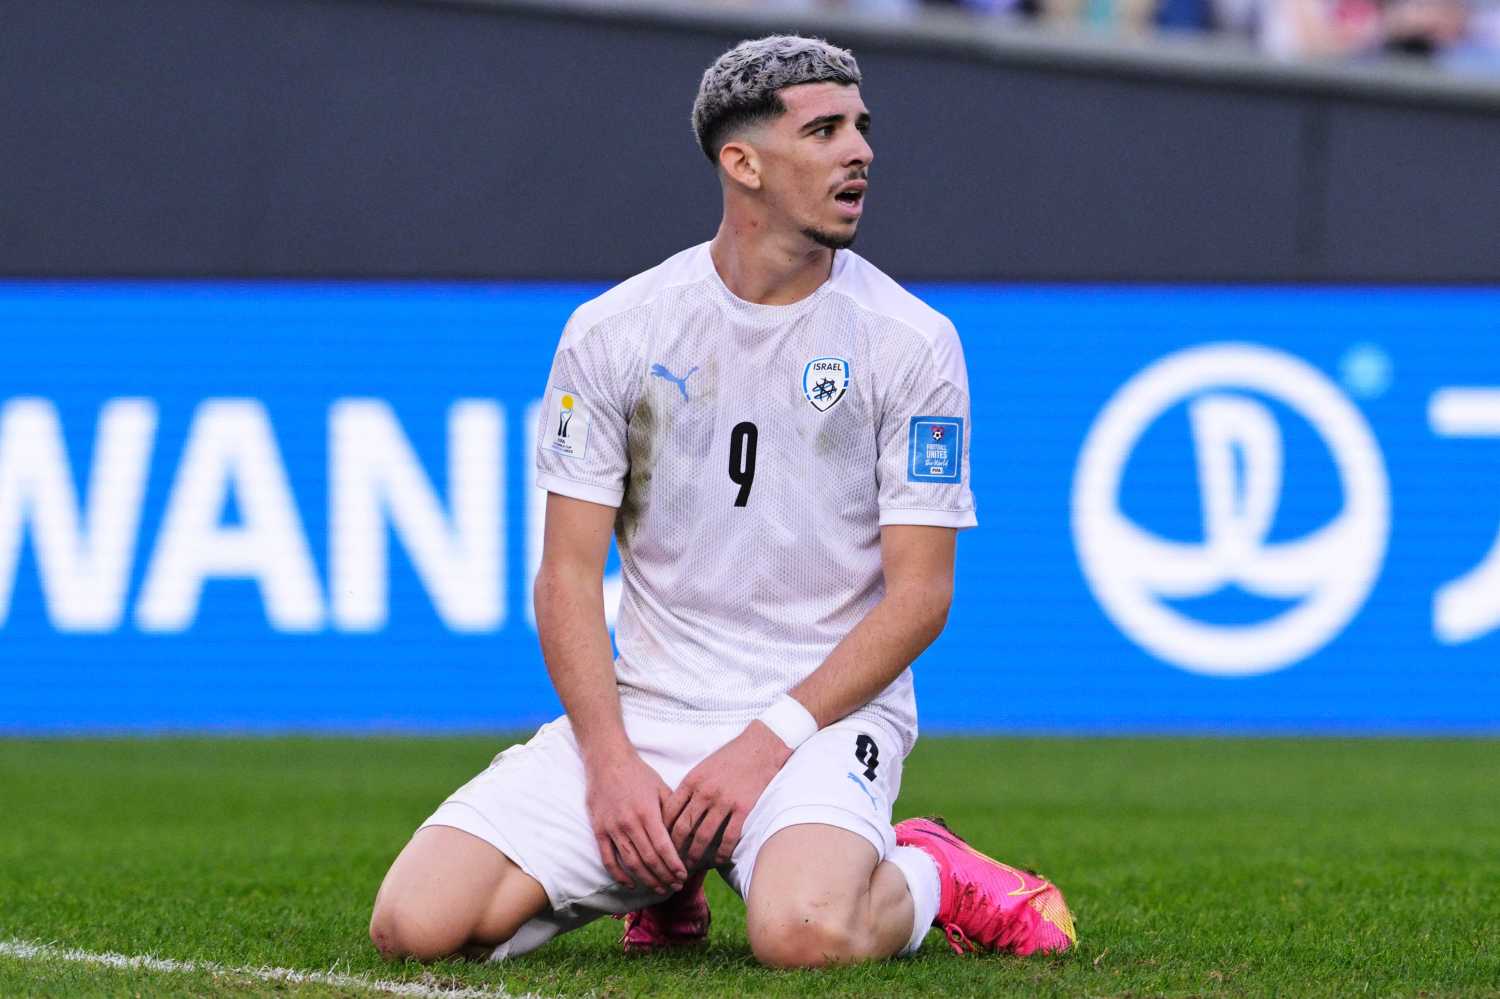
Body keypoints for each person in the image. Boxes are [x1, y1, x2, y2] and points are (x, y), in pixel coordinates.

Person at [368, 34, 1076, 968]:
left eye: (861, 127)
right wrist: (610, 762)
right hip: (650, 713)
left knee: (804, 932)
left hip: (819, 720)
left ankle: (933, 870)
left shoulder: (911, 342)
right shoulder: (614, 331)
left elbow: (922, 595)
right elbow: (566, 575)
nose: (860, 151)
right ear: (742, 163)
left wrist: (766, 740)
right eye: (823, 131)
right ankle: (667, 874)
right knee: (415, 925)